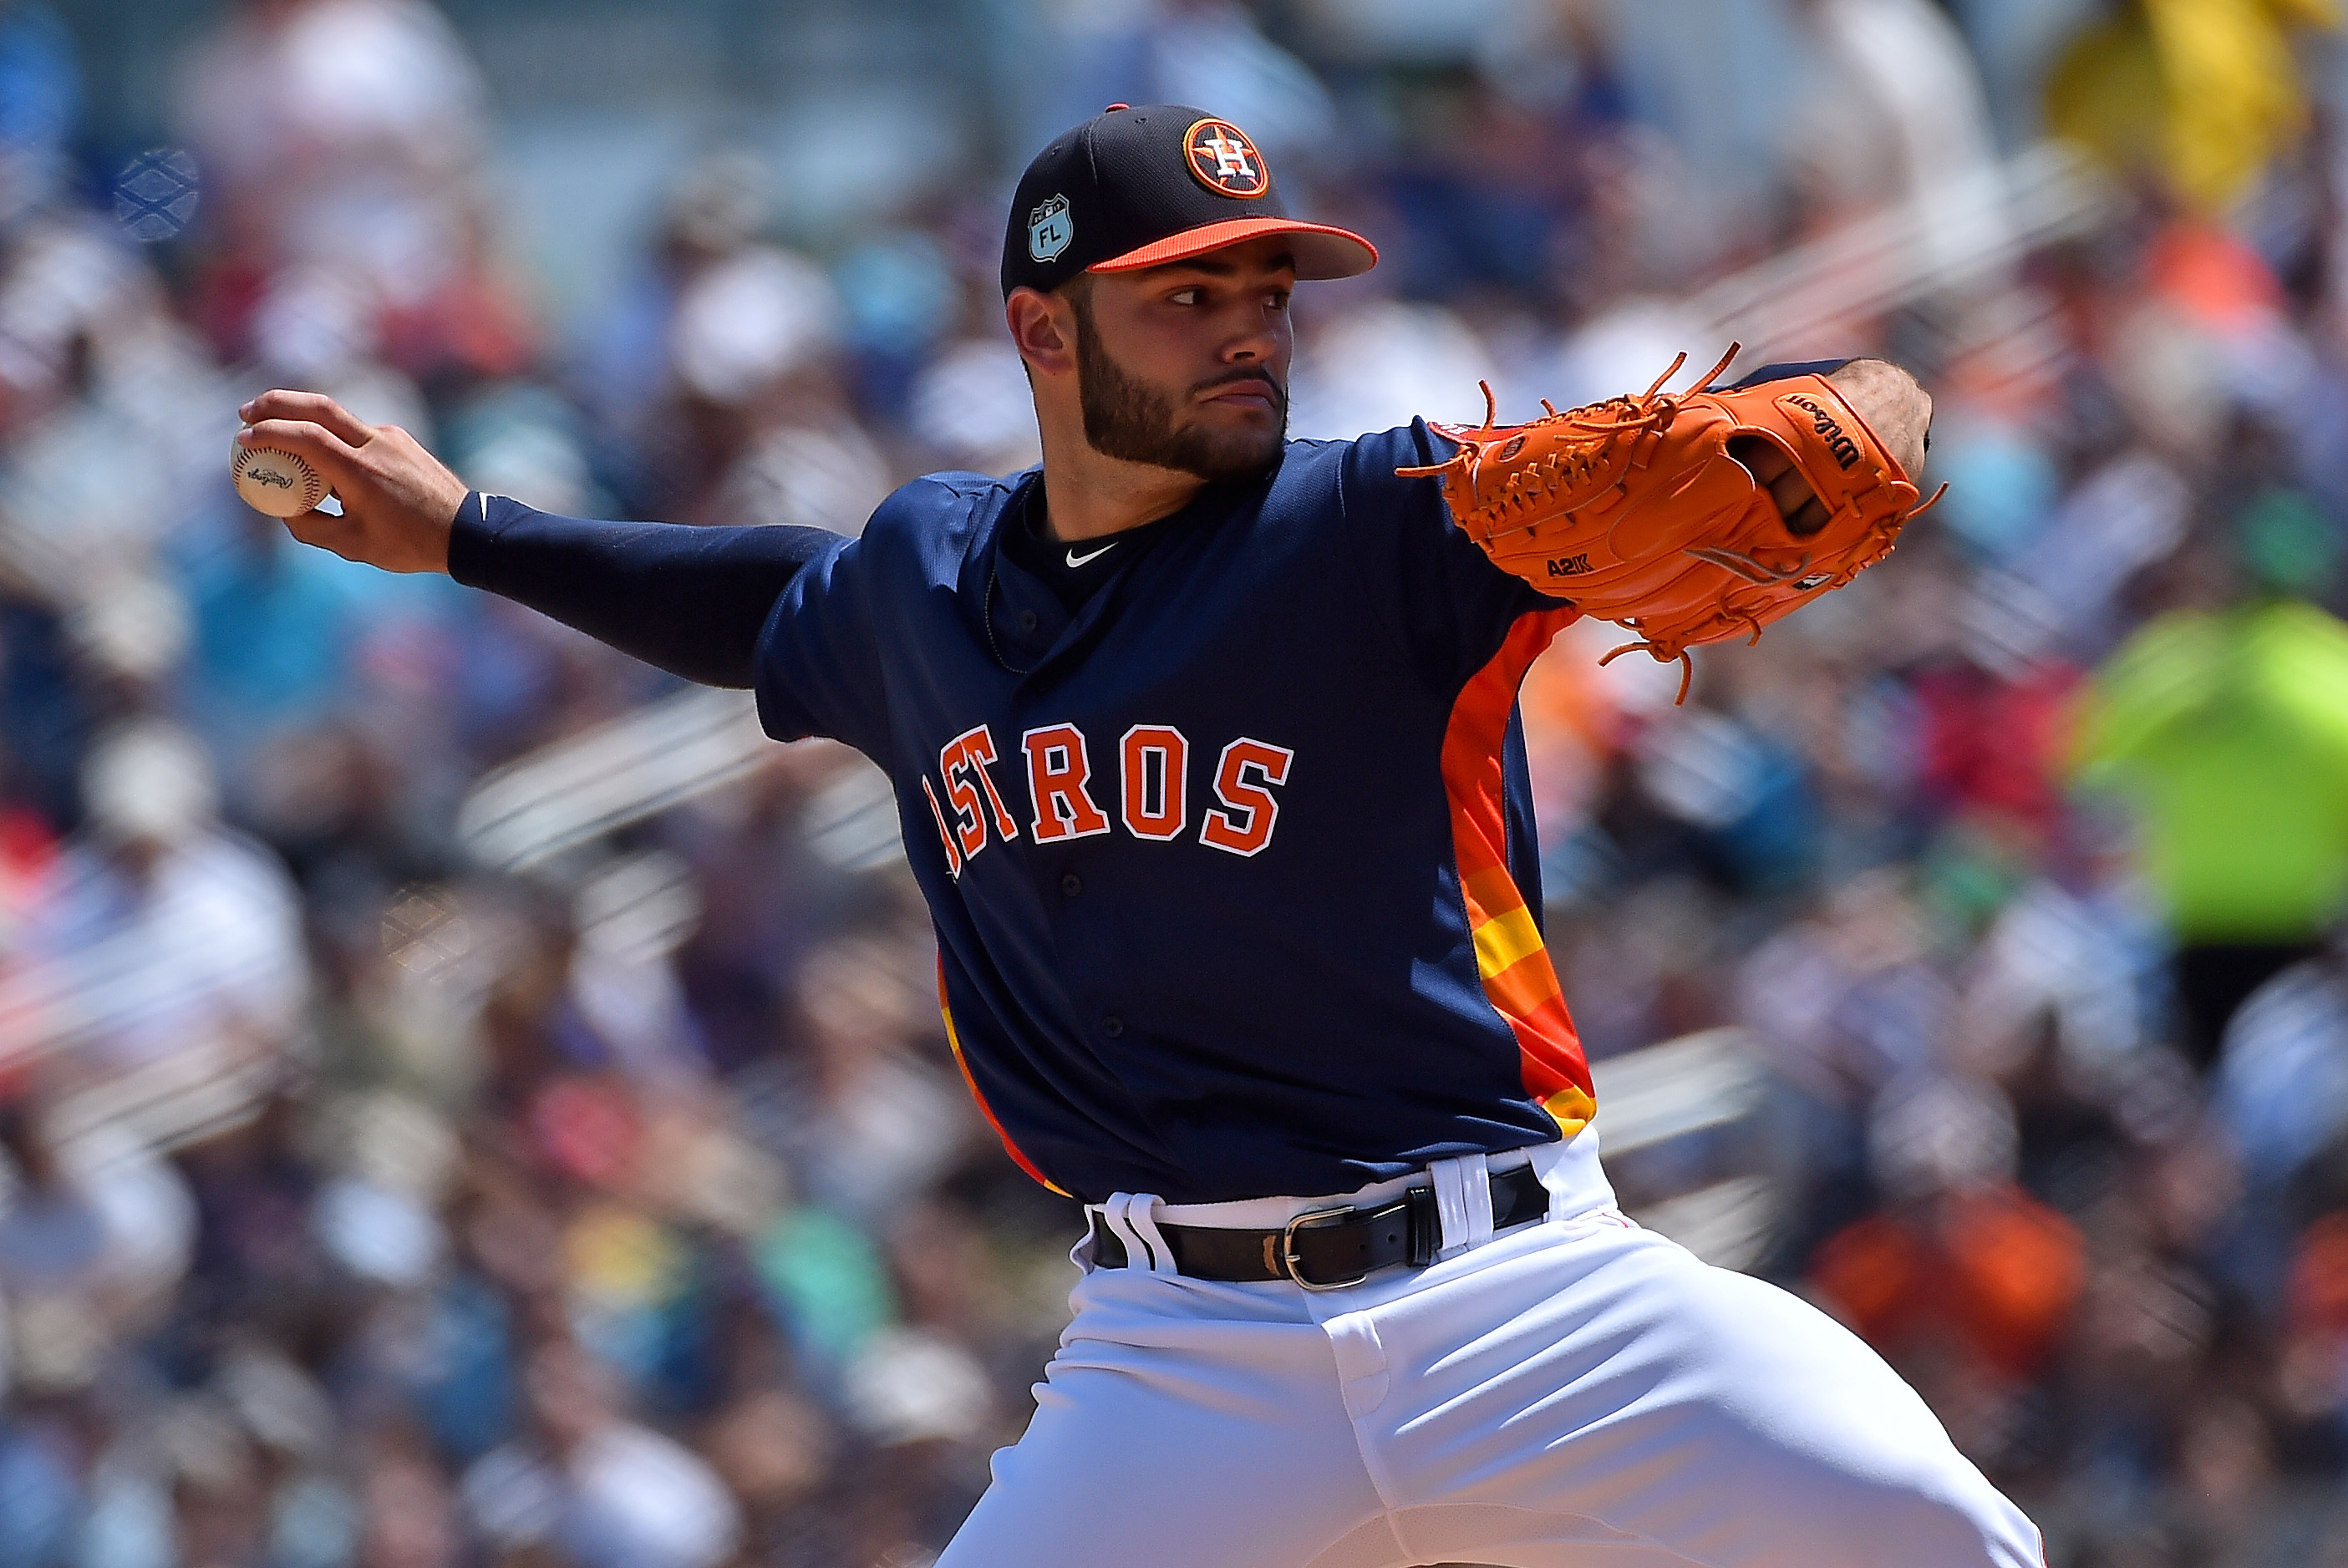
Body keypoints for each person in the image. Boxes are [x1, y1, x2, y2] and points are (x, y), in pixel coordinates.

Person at [237, 104, 2039, 1568]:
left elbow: (1844, 418)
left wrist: (1853, 405)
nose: (1249, 325)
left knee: (1941, 1536)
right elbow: (756, 601)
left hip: (1526, 1297)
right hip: (1179, 1364)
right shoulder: (917, 583)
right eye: (1188, 294)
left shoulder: (1379, 519)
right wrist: (472, 531)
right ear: (1043, 329)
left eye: (1267, 287)